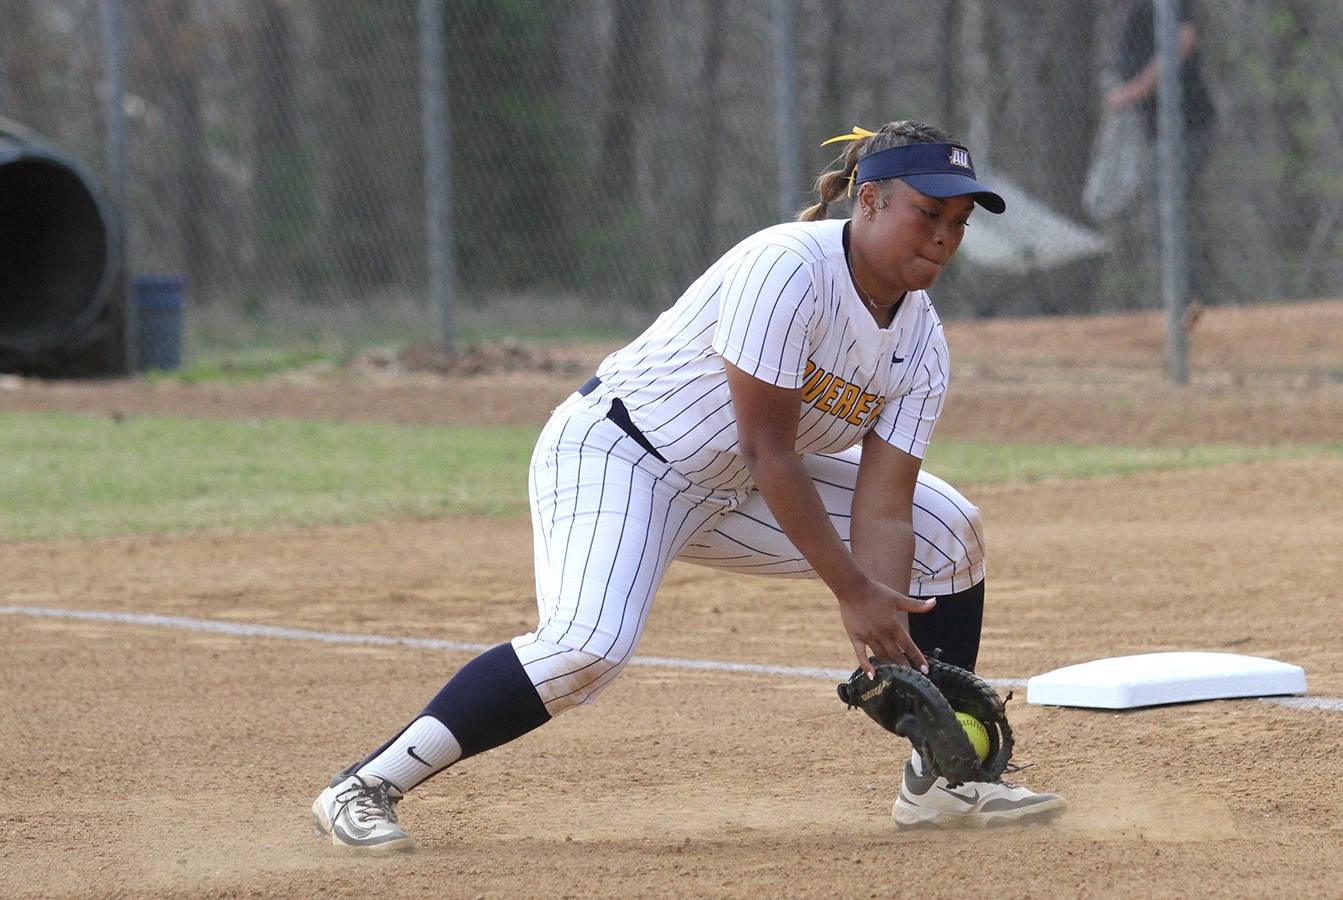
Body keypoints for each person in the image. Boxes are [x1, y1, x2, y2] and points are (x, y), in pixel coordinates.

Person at [310, 120, 1068, 851]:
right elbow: (768, 448)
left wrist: (890, 640)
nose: (944, 235)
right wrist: (853, 592)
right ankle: (364, 785)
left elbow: (885, 501)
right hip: (622, 456)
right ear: (868, 201)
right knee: (585, 649)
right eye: (928, 212)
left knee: (949, 526)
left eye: (960, 221)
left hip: (733, 490)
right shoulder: (787, 269)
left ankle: (938, 781)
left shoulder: (921, 340)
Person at [1106, 0, 1216, 324]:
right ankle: (1186, 302)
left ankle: (1190, 303)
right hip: (1158, 135)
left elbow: (1184, 40)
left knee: (1166, 214)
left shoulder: (1158, 6)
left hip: (1187, 129)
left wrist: (1137, 89)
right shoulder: (1128, 15)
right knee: (1165, 214)